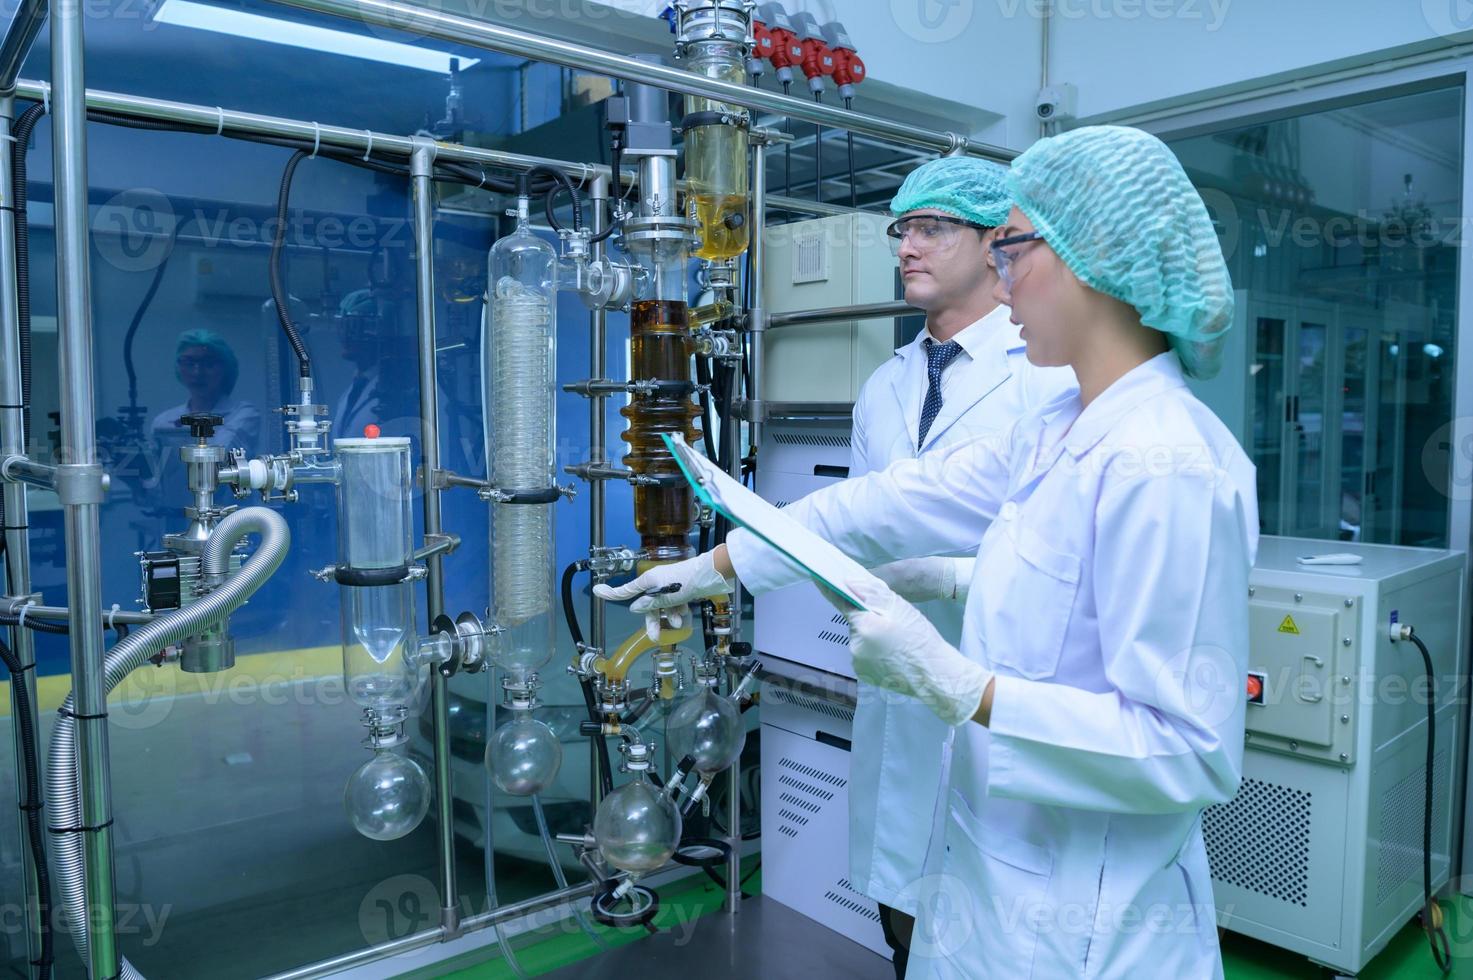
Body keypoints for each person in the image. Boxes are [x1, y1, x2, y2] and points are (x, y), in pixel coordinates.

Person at [598, 125, 1257, 978]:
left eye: (1012, 245)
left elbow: (1189, 751)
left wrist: (964, 688)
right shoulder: (1063, 429)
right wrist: (711, 567)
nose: (1002, 272)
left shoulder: (1170, 464)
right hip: (987, 880)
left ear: (1090, 258)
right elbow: (889, 502)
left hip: (1090, 922)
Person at [846, 156, 1074, 975]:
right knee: (903, 922)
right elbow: (865, 526)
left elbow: (1065, 565)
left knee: (993, 940)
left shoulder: (1044, 379)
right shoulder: (882, 385)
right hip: (900, 693)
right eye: (901, 228)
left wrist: (946, 576)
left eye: (932, 227)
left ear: (993, 244)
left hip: (1003, 691)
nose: (907, 246)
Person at [147, 329, 260, 510]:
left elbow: (220, 453)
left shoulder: (244, 414)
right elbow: (155, 480)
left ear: (226, 368)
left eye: (208, 363)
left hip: (230, 521)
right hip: (176, 519)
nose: (197, 372)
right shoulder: (164, 422)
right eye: (189, 362)